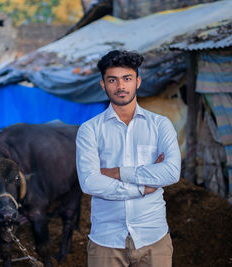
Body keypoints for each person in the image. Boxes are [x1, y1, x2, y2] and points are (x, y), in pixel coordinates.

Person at [76, 50, 181, 267]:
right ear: (103, 84)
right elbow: (89, 182)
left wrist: (118, 173)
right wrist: (142, 188)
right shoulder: (89, 130)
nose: (120, 86)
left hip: (154, 238)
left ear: (138, 82)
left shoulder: (161, 125)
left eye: (127, 79)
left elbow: (171, 172)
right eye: (112, 80)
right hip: (106, 239)